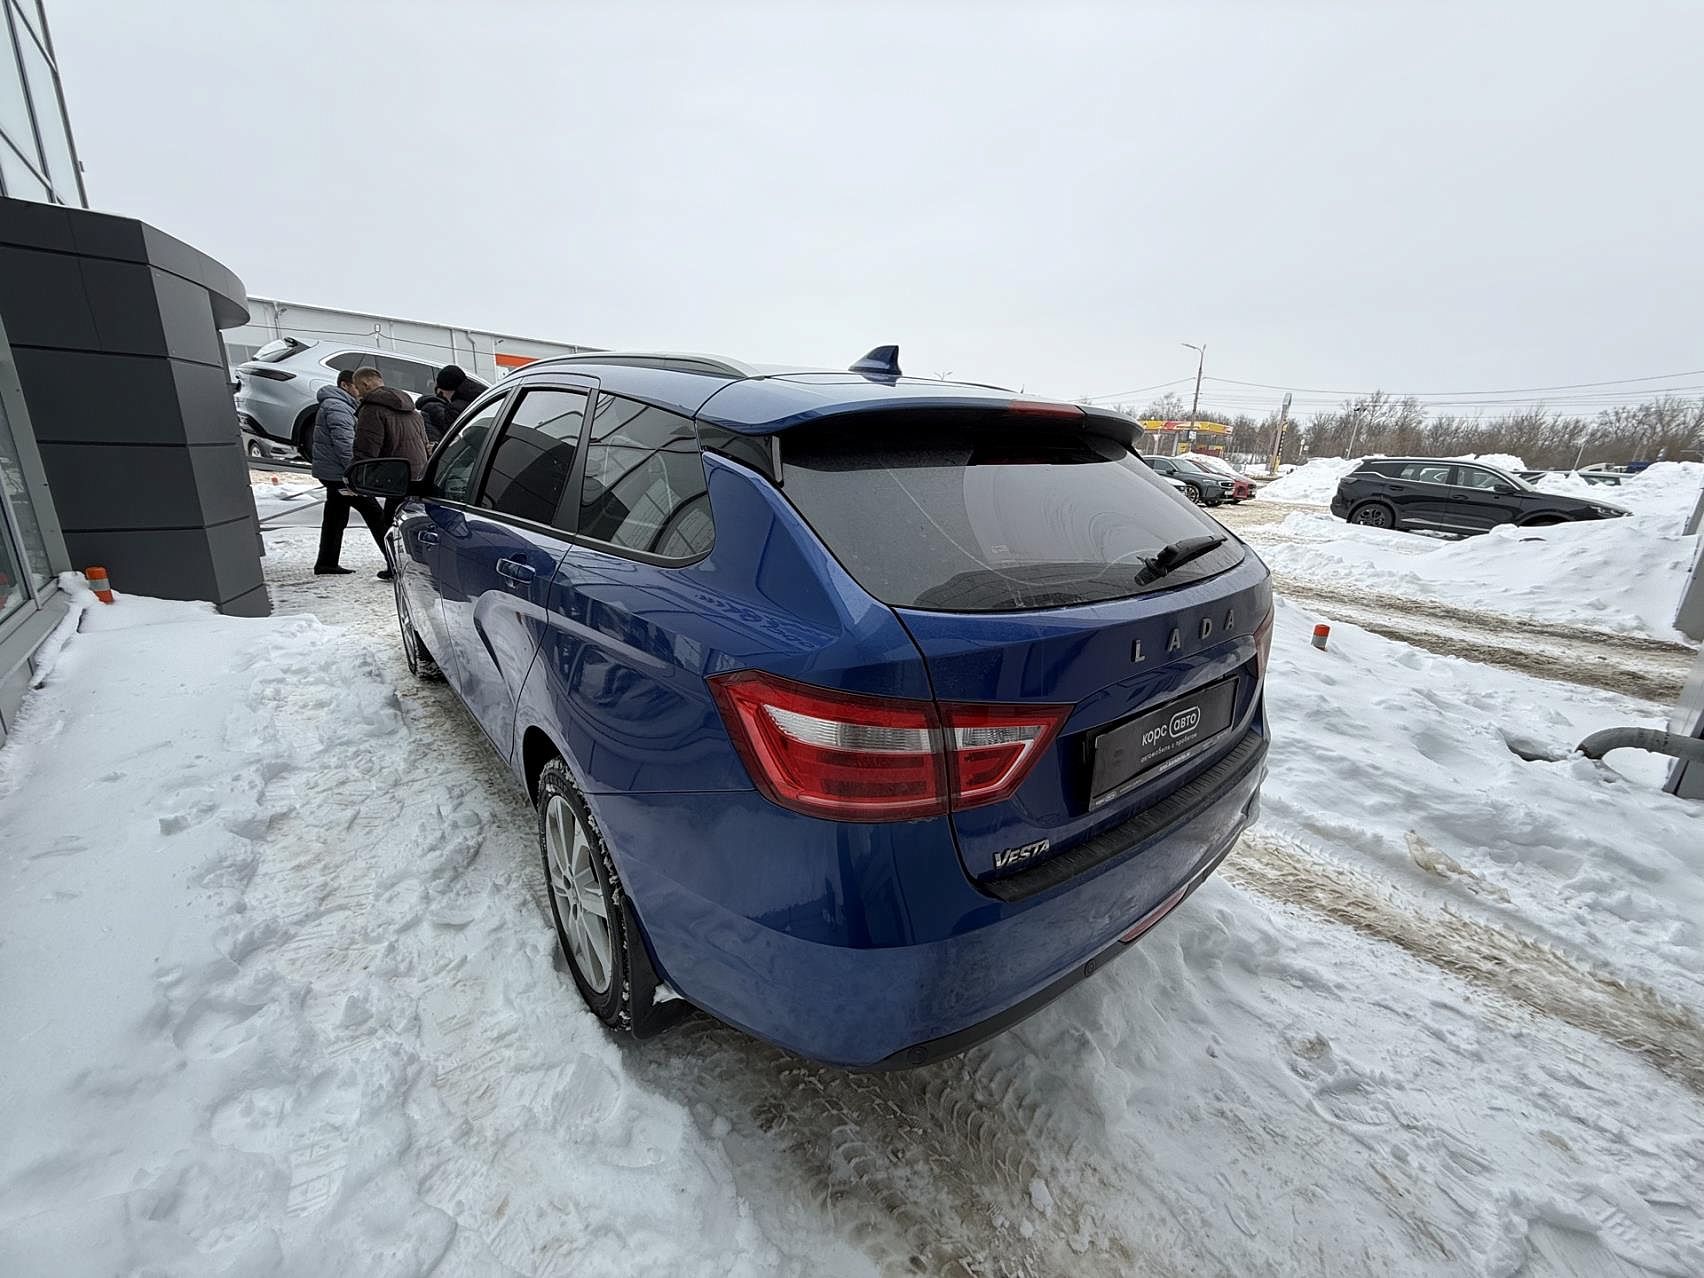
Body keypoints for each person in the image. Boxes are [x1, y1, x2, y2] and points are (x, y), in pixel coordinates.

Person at [351, 367, 431, 581]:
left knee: (389, 525)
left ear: (366, 384)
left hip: (395, 475)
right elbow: (425, 443)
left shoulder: (372, 410)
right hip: (419, 473)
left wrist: (357, 475)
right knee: (412, 521)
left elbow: (366, 448)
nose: (356, 393)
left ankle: (396, 566)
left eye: (357, 387)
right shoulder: (411, 409)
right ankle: (414, 565)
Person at [311, 369, 390, 575]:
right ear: (345, 385)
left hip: (333, 473)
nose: (360, 390)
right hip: (341, 475)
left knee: (335, 517)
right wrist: (357, 473)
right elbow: (345, 444)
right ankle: (394, 562)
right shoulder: (337, 406)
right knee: (374, 513)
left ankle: (326, 562)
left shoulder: (339, 405)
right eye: (356, 385)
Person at [434, 365, 489, 430]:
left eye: (441, 393)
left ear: (447, 389)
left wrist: (432, 410)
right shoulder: (485, 392)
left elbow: (450, 433)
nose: (443, 396)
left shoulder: (454, 408)